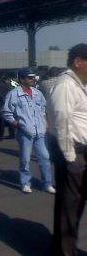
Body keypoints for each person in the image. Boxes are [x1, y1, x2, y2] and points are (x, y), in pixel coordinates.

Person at [48, 44, 87, 255]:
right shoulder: (65, 85)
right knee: (69, 204)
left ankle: (64, 245)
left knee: (76, 202)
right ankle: (64, 251)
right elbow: (62, 122)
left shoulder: (81, 85)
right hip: (72, 150)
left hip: (82, 150)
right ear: (78, 62)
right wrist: (71, 157)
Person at [1, 67, 55, 194]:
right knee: (25, 159)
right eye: (30, 77)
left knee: (45, 158)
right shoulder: (13, 94)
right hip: (25, 132)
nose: (32, 79)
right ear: (22, 79)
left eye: (33, 77)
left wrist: (46, 124)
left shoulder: (37, 93)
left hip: (40, 132)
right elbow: (6, 112)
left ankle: (47, 183)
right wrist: (17, 123)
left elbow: (43, 109)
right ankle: (25, 183)